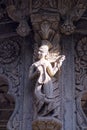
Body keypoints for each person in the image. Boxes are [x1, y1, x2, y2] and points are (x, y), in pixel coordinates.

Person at [29, 40, 65, 118]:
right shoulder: (34, 65)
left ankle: (52, 111)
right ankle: (41, 113)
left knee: (48, 97)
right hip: (38, 84)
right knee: (38, 96)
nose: (39, 53)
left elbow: (52, 73)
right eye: (39, 51)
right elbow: (30, 77)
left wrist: (58, 65)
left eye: (41, 52)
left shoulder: (47, 63)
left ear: (46, 54)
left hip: (47, 82)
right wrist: (36, 73)